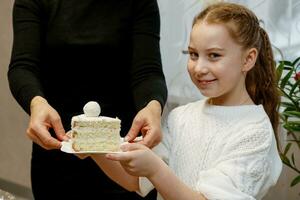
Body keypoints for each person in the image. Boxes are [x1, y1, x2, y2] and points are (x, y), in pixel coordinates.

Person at [89, 2, 283, 200]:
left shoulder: (254, 133)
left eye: (214, 55)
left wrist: (156, 170)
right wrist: (91, 144)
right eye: (193, 54)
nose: (199, 68)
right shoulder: (181, 116)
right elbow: (134, 180)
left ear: (248, 59)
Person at [7, 0, 167, 199]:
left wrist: (152, 105)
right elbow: (23, 66)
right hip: (59, 144)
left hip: (123, 150)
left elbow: (147, 71)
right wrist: (36, 102)